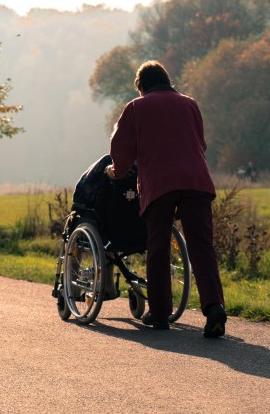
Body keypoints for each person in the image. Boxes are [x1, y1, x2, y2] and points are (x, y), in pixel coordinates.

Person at [105, 60, 227, 337]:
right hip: (197, 179)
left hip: (160, 182)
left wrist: (116, 171)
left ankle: (160, 314)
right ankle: (214, 307)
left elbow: (121, 148)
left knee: (158, 246)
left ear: (141, 86)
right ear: (166, 80)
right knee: (202, 246)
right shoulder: (189, 103)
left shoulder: (137, 107)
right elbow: (200, 142)